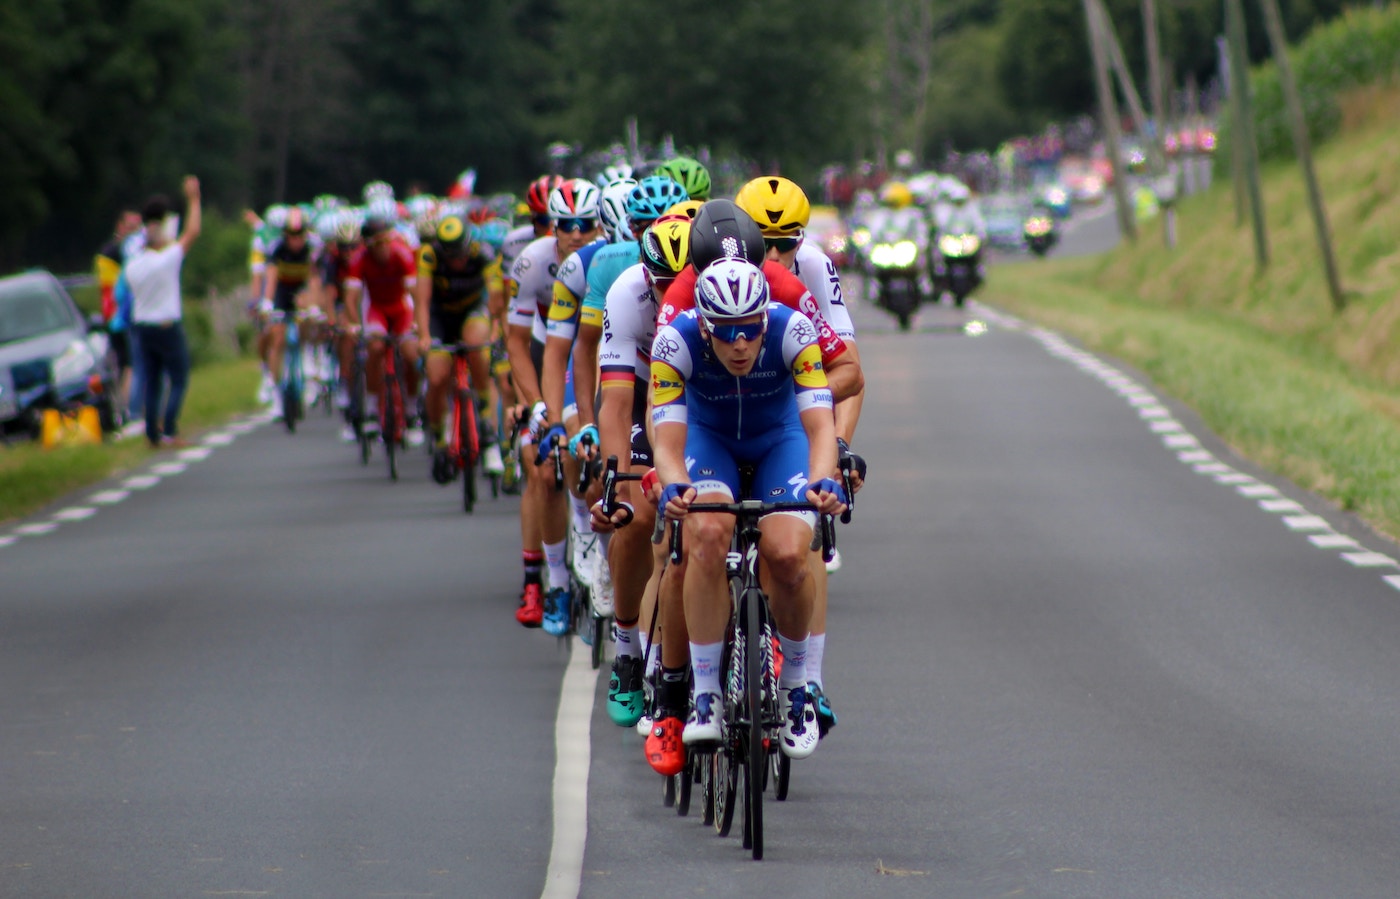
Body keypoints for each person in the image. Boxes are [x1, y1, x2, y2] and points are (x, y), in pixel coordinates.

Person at [651, 258, 847, 765]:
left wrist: (825, 479)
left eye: (750, 330)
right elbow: (668, 445)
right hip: (708, 438)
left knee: (786, 555)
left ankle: (799, 683)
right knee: (709, 535)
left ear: (765, 317)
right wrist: (674, 486)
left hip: (779, 438)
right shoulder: (675, 340)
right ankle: (707, 693)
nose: (740, 344)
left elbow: (821, 427)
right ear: (705, 323)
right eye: (727, 333)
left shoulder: (793, 329)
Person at [123, 177, 202, 448]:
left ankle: (151, 434)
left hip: (143, 325)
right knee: (179, 378)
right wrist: (194, 199)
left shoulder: (133, 265)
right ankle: (169, 429)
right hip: (167, 324)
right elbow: (192, 232)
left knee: (152, 381)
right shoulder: (166, 260)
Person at [95, 210, 142, 420]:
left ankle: (129, 409)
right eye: (131, 227)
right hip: (119, 319)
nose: (136, 233)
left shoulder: (129, 250)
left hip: (128, 317)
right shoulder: (113, 253)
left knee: (128, 366)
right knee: (129, 365)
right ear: (120, 227)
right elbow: (112, 291)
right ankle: (128, 411)